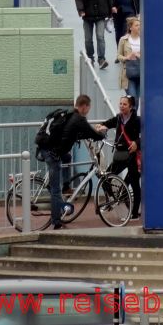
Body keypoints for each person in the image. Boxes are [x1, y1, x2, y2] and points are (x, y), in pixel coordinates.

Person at [37, 94, 105, 229]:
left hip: (45, 148)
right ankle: (56, 221)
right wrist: (102, 133)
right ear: (84, 107)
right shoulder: (79, 119)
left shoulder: (69, 114)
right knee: (56, 190)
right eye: (88, 107)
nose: (88, 110)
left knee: (67, 157)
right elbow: (93, 134)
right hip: (52, 153)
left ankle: (66, 186)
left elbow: (73, 132)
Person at [96, 95, 141, 220]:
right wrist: (101, 126)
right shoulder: (118, 118)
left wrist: (137, 143)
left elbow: (147, 133)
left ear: (131, 107)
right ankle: (111, 201)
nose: (121, 106)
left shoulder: (137, 120)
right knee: (105, 179)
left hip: (132, 155)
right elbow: (107, 123)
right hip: (119, 155)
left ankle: (135, 213)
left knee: (134, 184)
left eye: (124, 104)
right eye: (120, 103)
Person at [74, 0, 111, 68]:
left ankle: (101, 59)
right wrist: (81, 10)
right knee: (88, 39)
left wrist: (110, 12)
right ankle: (90, 57)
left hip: (100, 15)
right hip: (87, 15)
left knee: (100, 37)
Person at [116, 16, 142, 105]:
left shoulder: (144, 40)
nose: (139, 27)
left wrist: (139, 56)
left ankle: (133, 118)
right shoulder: (124, 40)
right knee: (133, 98)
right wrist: (127, 58)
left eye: (140, 25)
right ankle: (132, 117)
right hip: (128, 74)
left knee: (137, 100)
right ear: (130, 28)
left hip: (141, 72)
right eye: (136, 25)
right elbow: (119, 56)